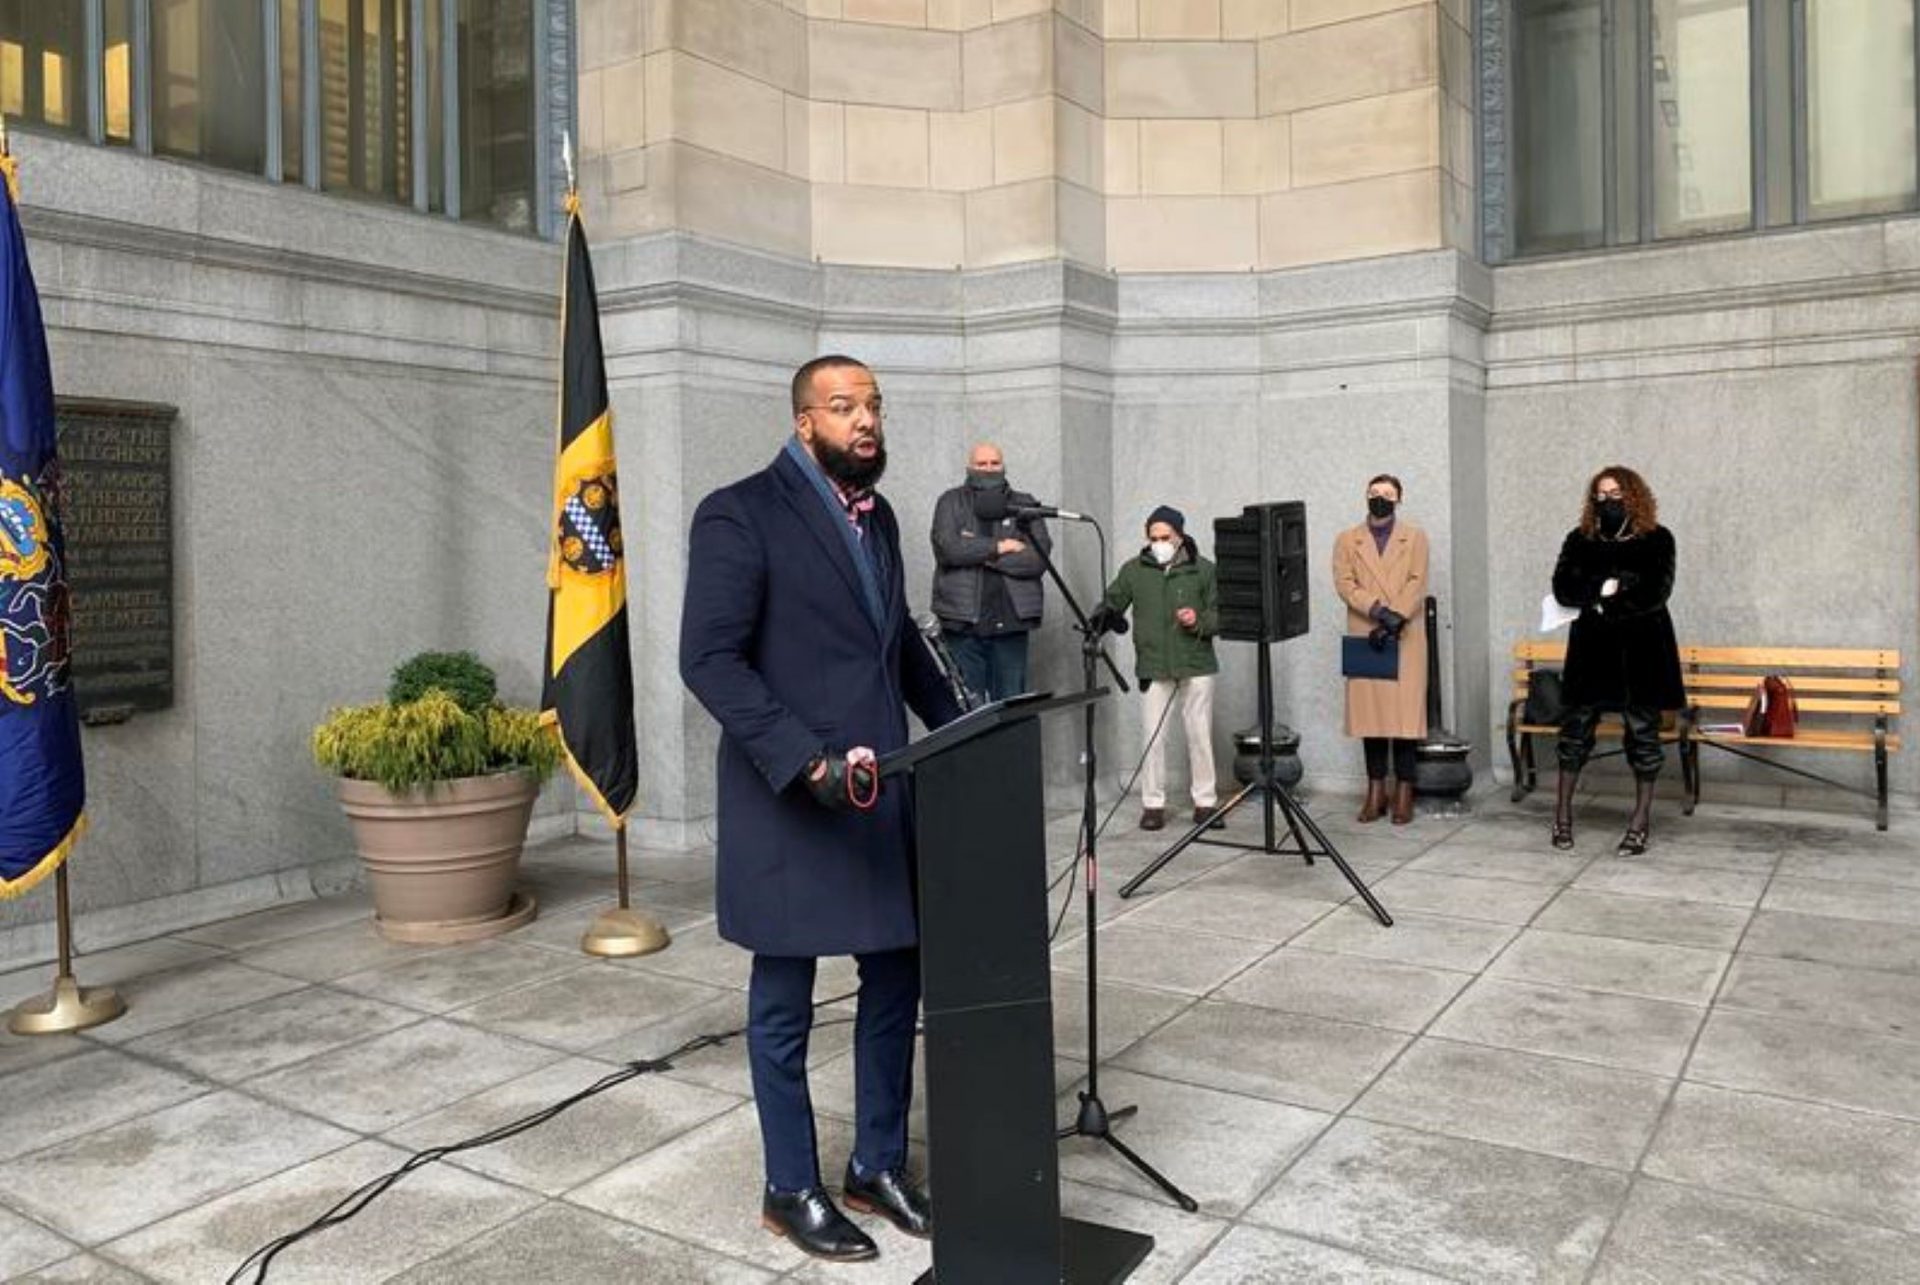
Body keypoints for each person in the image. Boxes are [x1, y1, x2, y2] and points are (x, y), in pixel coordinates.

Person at [679, 355, 964, 1263]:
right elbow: (710, 660)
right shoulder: (739, 512)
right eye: (845, 407)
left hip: (882, 795)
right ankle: (789, 1187)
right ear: (805, 422)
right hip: (795, 798)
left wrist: (966, 726)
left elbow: (897, 647)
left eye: (874, 403)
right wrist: (806, 760)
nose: (865, 419)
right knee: (784, 1000)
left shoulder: (877, 521)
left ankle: (874, 1165)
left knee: (895, 981)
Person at [1548, 465, 1683, 857]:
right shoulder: (1580, 539)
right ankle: (1562, 817)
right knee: (1574, 734)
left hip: (1644, 651)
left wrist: (1604, 602)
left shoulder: (1658, 539)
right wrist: (1605, 588)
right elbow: (1563, 588)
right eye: (1601, 495)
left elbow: (1656, 592)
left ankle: (1639, 823)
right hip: (1591, 651)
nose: (1608, 501)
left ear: (1634, 496)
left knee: (1643, 735)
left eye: (1616, 494)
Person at [1099, 505, 1220, 831]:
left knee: (1199, 735)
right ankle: (1153, 805)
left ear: (1180, 536)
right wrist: (1100, 617)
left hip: (1196, 663)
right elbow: (1113, 600)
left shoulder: (1204, 571)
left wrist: (1198, 621)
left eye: (1165, 537)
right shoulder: (1134, 570)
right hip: (1153, 665)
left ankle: (1205, 803)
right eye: (1153, 538)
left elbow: (1220, 615)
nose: (1159, 543)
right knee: (1153, 737)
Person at [1331, 473, 1429, 825]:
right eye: (1374, 493)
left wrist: (1396, 617)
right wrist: (1378, 611)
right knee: (1371, 718)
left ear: (1399, 499)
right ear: (1365, 496)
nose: (1380, 499)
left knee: (1404, 719)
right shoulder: (1347, 540)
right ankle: (1375, 791)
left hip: (1403, 634)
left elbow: (1417, 580)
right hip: (1366, 630)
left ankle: (1404, 791)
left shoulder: (1415, 538)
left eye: (1388, 494)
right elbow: (1344, 583)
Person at [928, 442, 1051, 702]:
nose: (988, 469)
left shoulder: (1024, 504)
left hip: (1011, 623)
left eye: (994, 463)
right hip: (962, 624)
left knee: (1012, 708)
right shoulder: (950, 501)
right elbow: (948, 549)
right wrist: (1001, 547)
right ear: (969, 467)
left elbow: (1037, 560)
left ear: (1003, 466)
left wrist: (978, 552)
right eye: (981, 464)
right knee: (965, 710)